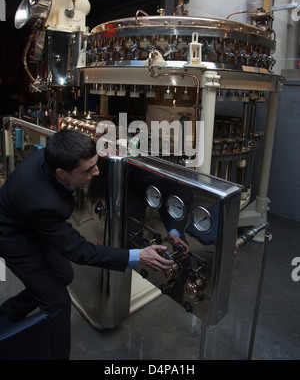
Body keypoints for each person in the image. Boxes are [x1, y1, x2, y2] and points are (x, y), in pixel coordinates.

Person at [0, 129, 175, 359]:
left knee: (63, 275)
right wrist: (137, 256)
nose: (96, 171)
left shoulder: (59, 153)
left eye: (95, 163)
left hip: (33, 223)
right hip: (14, 237)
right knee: (58, 303)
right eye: (87, 170)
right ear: (61, 173)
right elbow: (79, 251)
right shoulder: (41, 201)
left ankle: (7, 313)